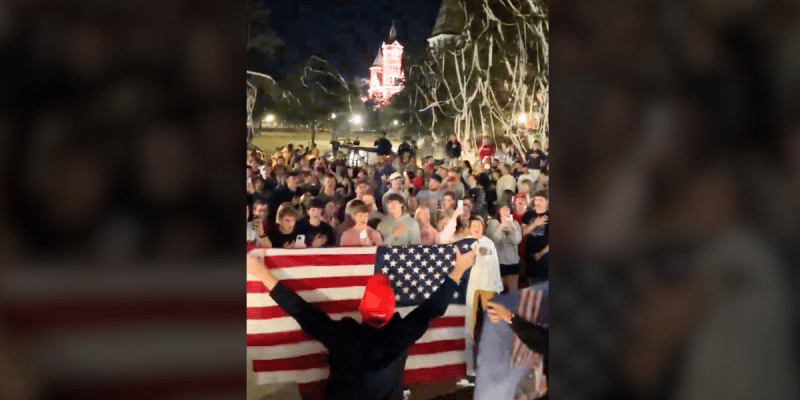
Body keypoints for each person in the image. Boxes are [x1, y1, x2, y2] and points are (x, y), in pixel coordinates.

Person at [246, 245, 477, 400]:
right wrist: (459, 269)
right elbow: (433, 308)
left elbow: (303, 313)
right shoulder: (401, 334)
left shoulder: (342, 337)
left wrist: (263, 274)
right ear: (392, 309)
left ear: (360, 307)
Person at [463, 216, 503, 376]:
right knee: (469, 327)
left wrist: (497, 287)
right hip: (470, 289)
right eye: (474, 225)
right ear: (469, 228)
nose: (477, 227)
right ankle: (469, 366)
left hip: (487, 287)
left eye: (479, 225)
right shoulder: (465, 242)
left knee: (491, 324)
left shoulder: (489, 243)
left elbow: (494, 265)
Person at [487, 204, 523, 292]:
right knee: (497, 292)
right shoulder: (493, 223)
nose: (505, 211)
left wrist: (512, 228)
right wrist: (502, 226)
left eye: (507, 209)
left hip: (512, 261)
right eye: (503, 209)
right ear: (499, 211)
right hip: (498, 262)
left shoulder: (515, 223)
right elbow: (494, 240)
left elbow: (517, 240)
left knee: (513, 292)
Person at [523, 192, 549, 284]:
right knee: (532, 286)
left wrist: (541, 253)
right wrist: (535, 224)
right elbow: (523, 233)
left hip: (546, 257)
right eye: (536, 200)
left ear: (547, 202)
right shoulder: (528, 215)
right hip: (530, 255)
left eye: (541, 200)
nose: (538, 202)